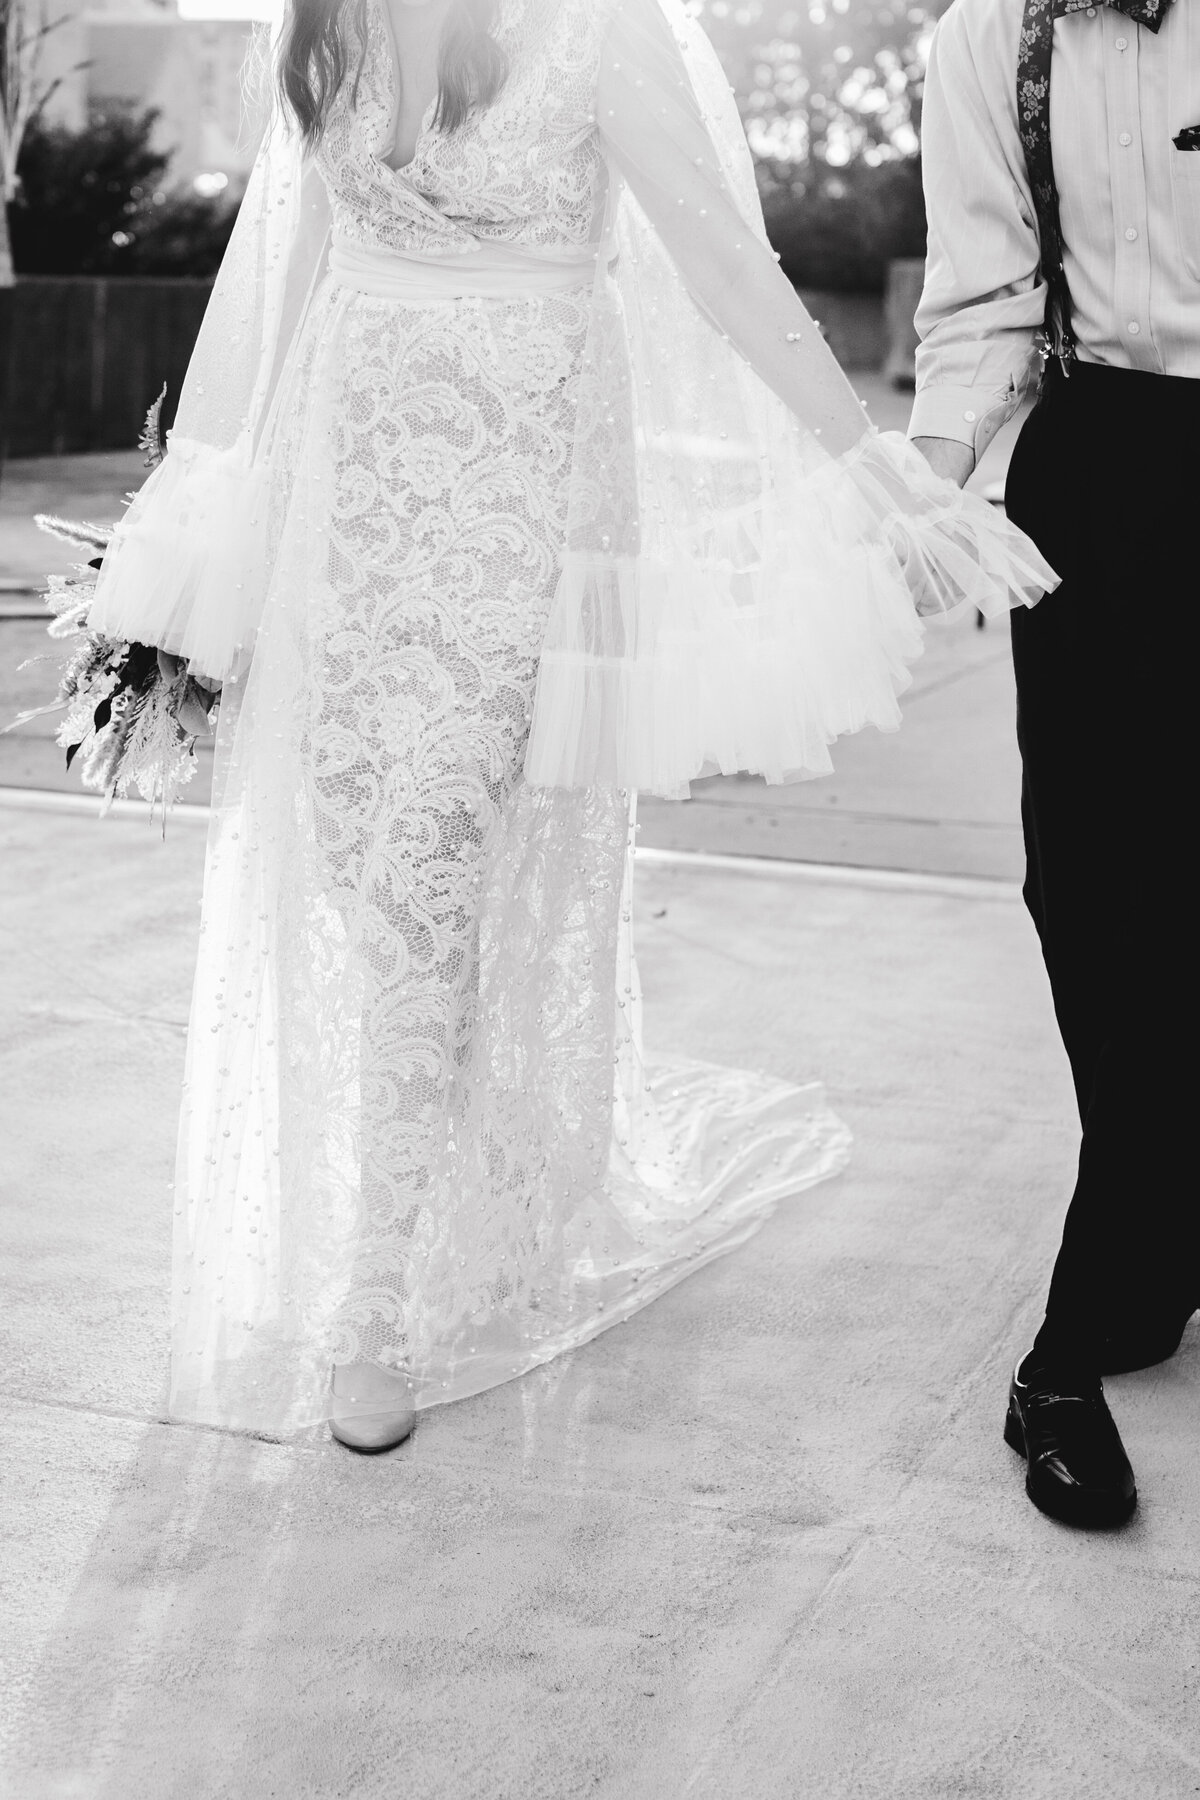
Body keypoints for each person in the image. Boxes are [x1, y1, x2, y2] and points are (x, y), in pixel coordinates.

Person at [88, 0, 1052, 1454]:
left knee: (432, 855)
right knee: (361, 864)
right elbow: (287, 273)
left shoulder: (600, 27)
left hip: (529, 508)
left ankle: (373, 1302)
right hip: (348, 504)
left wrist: (880, 467)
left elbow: (726, 262)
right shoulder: (324, 21)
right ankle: (467, 1163)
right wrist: (204, 522)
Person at [913, 0, 1198, 1527]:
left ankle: (1080, 1330)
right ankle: (1136, 1260)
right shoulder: (987, 39)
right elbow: (984, 302)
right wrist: (926, 491)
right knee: (1092, 884)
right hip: (1104, 470)